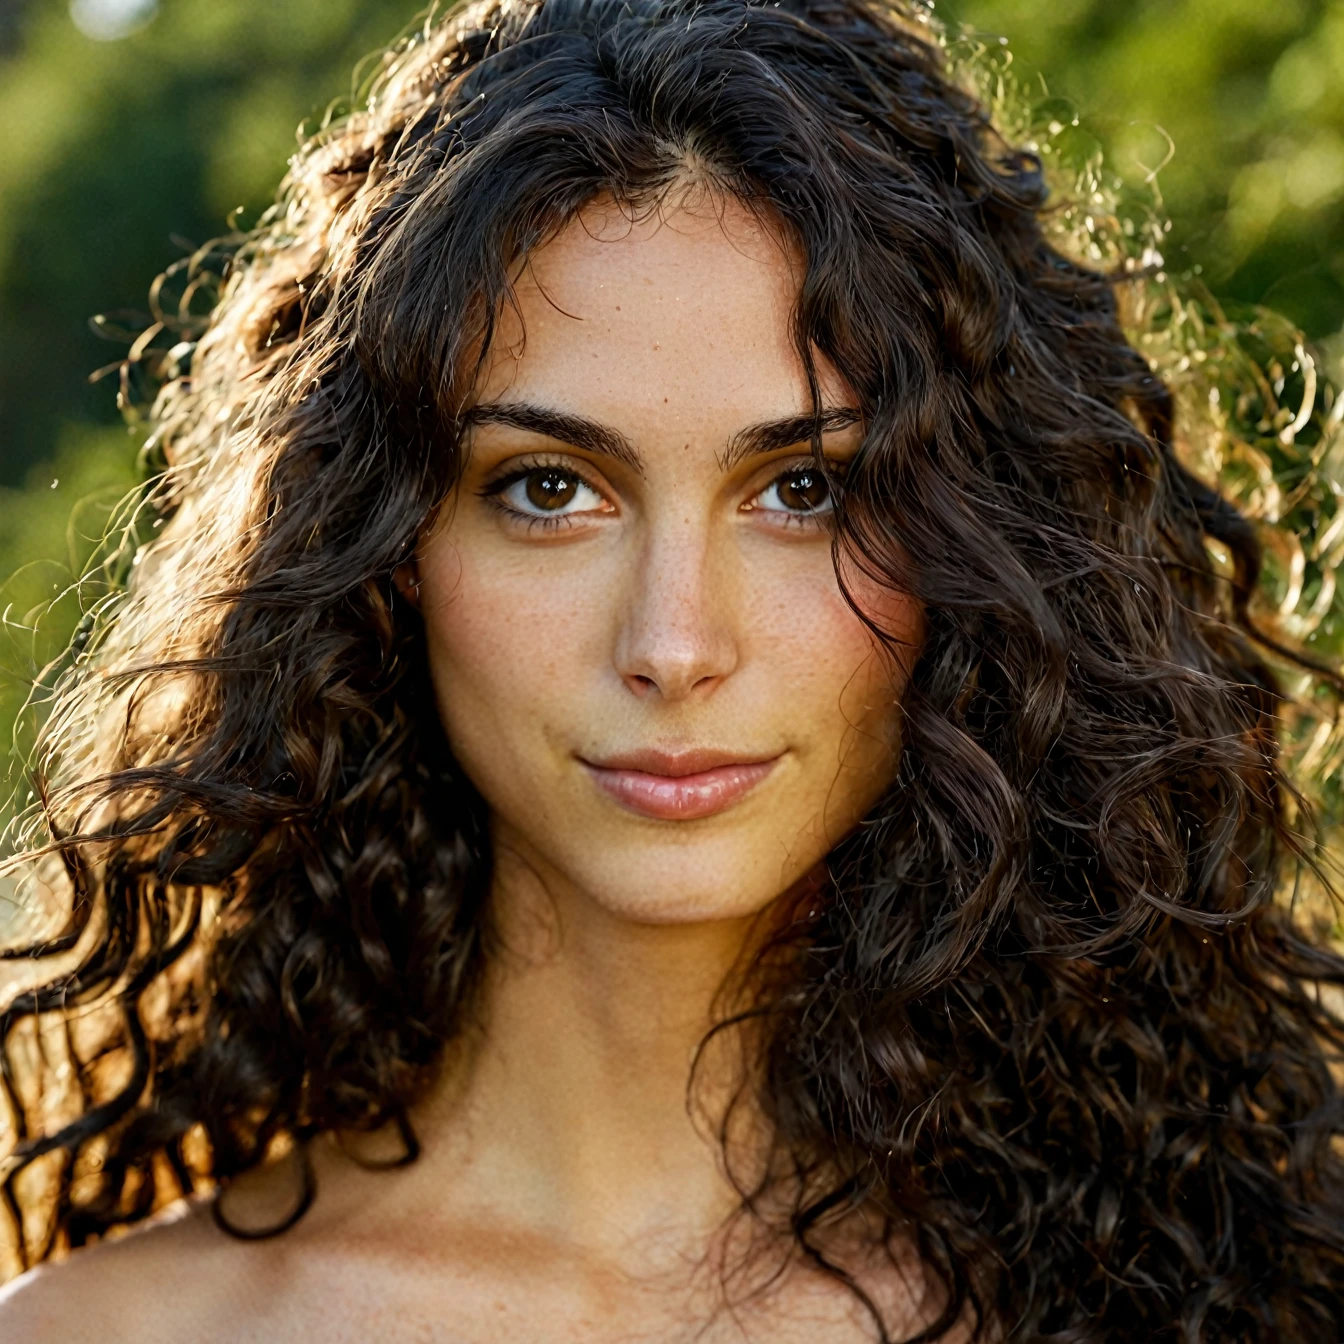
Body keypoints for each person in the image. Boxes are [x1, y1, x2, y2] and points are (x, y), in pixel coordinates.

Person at [0, 0, 1341, 1338]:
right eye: (547, 490)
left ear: (985, 552)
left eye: (805, 488)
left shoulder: (1236, 1298)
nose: (675, 646)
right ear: (387, 551)